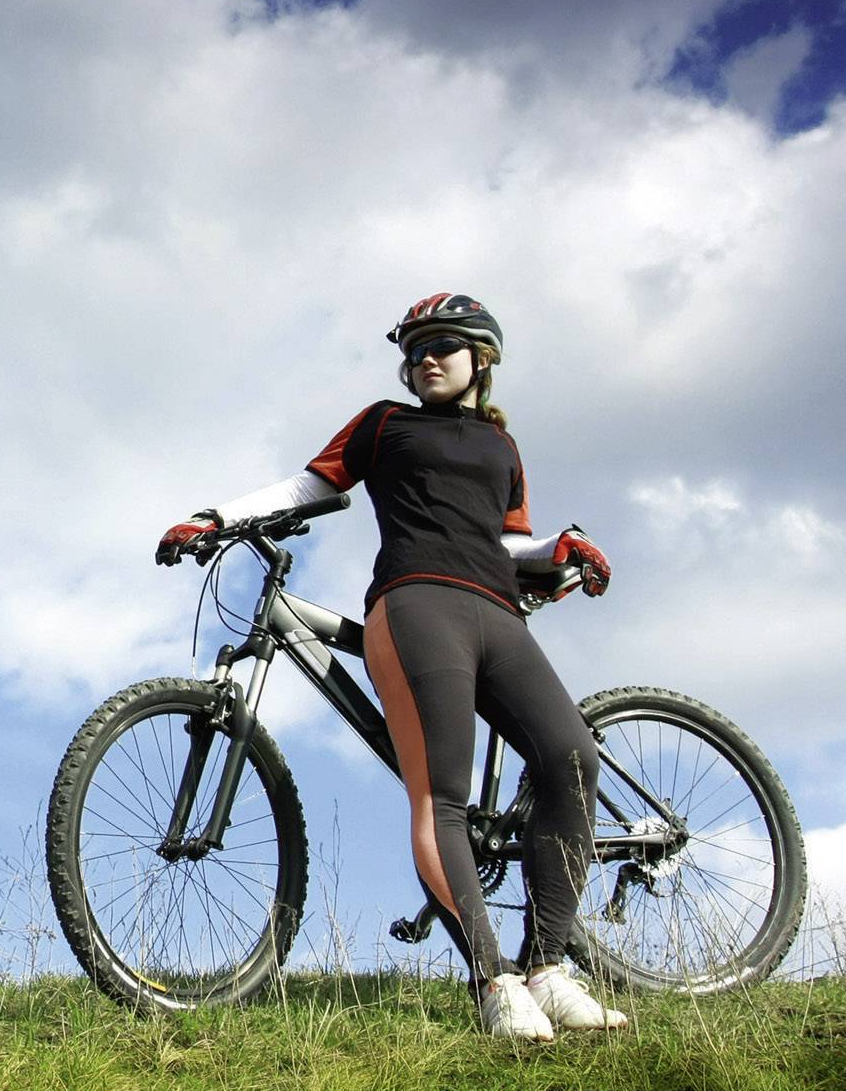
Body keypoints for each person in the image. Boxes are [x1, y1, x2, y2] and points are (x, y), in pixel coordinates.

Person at [154, 293, 624, 1041]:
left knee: (571, 758)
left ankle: (548, 969)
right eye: (414, 350)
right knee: (440, 794)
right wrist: (216, 519)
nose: (424, 359)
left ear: (482, 359)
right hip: (415, 606)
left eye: (441, 345)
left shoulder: (503, 450)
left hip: (499, 614)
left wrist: (560, 550)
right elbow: (314, 485)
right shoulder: (384, 423)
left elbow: (509, 545)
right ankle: (495, 983)